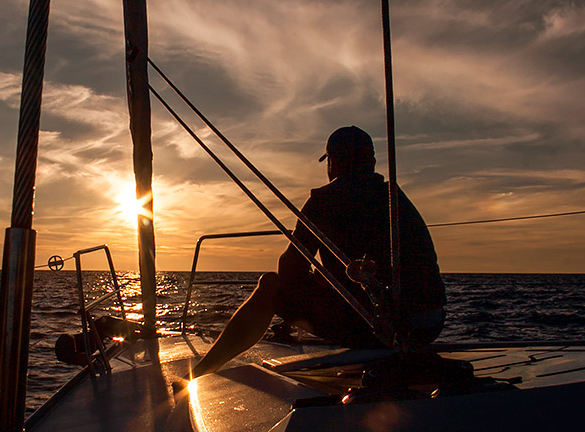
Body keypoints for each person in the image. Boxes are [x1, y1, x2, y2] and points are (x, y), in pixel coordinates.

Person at [191, 125, 446, 378]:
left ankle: (203, 370)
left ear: (333, 163)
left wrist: (319, 284)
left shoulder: (323, 201)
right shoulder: (396, 198)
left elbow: (289, 271)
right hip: (428, 326)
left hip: (380, 329)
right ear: (372, 161)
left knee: (270, 285)